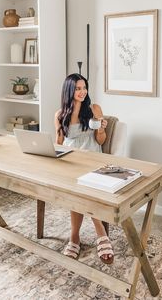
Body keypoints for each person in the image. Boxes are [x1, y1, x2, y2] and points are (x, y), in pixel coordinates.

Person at [55, 73, 114, 264]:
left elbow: (100, 141)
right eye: (78, 88)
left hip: (92, 159)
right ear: (70, 91)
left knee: (81, 193)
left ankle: (76, 237)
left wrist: (102, 128)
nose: (82, 92)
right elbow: (59, 144)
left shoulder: (94, 109)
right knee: (77, 191)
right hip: (72, 161)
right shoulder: (60, 115)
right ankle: (100, 234)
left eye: (84, 88)